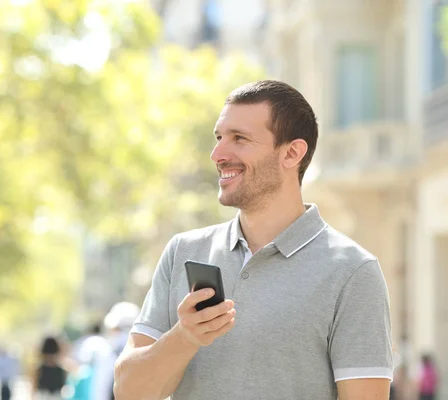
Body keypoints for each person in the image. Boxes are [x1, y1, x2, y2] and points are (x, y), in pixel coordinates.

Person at [113, 80, 393, 400]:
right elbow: (128, 391)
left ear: (291, 153)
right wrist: (185, 336)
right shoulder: (183, 252)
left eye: (239, 139)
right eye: (219, 137)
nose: (218, 153)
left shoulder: (353, 271)